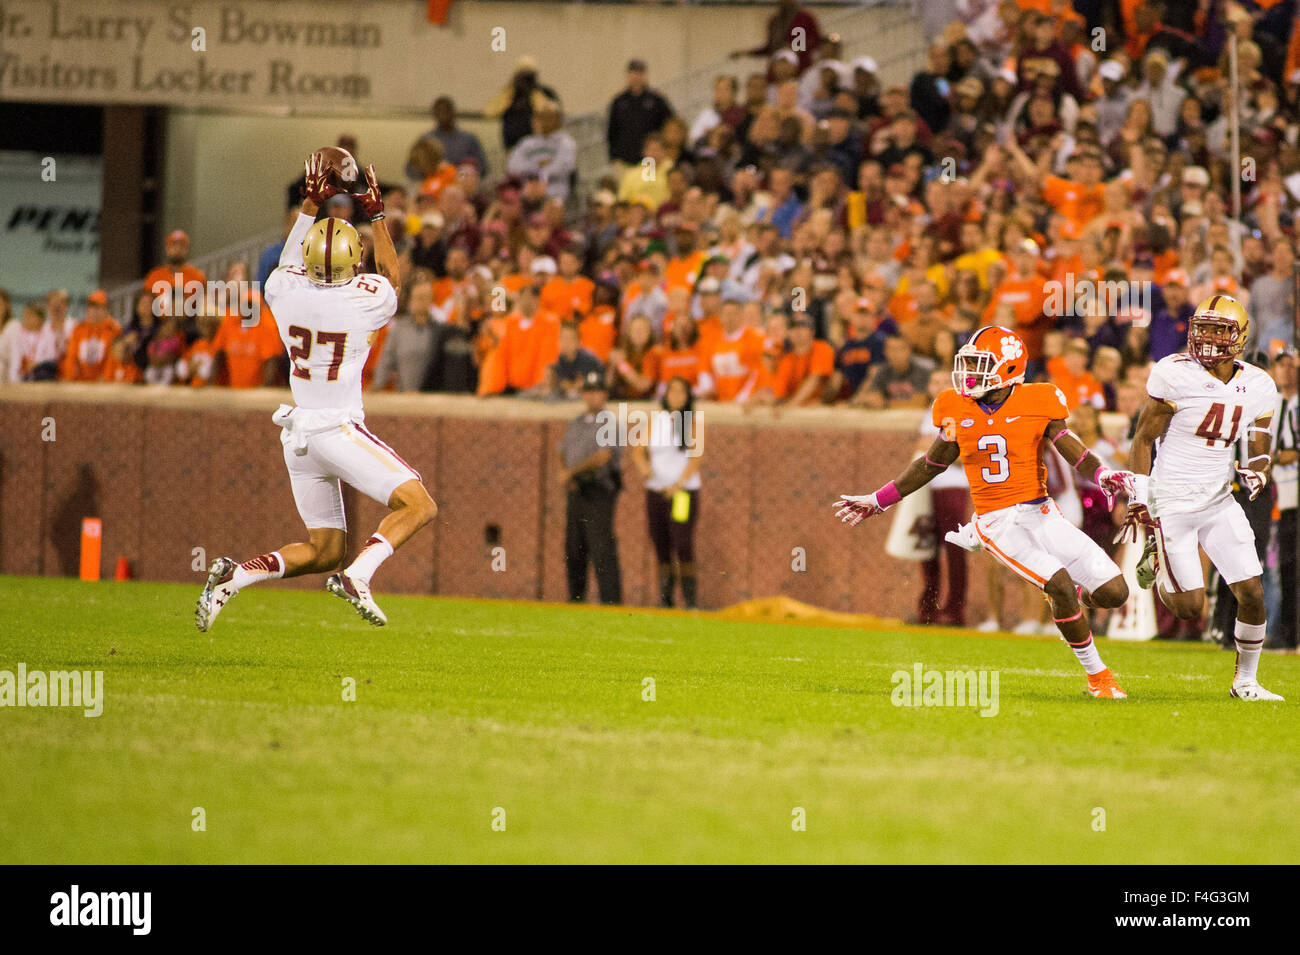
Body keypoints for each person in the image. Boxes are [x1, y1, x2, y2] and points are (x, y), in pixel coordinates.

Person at [196, 155, 437, 631]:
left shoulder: (284, 290)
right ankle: (359, 576)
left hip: (297, 434)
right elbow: (393, 278)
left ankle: (234, 577)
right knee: (420, 505)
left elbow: (287, 260)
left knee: (324, 549)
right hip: (336, 428)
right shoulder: (363, 299)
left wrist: (311, 200)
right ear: (354, 260)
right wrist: (378, 214)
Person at [835, 325, 1136, 699]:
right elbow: (931, 463)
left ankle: (1069, 600)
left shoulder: (1039, 399)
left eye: (980, 365)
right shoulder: (954, 406)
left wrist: (1104, 473)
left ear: (1009, 368)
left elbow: (1070, 446)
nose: (969, 373)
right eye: (969, 363)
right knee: (1059, 584)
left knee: (1115, 592)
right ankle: (1099, 677)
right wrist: (878, 500)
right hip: (996, 521)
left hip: (1042, 513)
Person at [1126, 296, 1284, 700]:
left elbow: (1261, 434)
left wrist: (1259, 466)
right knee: (1189, 607)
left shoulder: (1259, 383)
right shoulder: (1175, 373)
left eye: (1220, 329)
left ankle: (1246, 681)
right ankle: (1158, 555)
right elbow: (1143, 438)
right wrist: (1139, 495)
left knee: (1251, 591)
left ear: (1240, 336)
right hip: (1172, 502)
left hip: (1218, 501)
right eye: (1204, 328)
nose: (1210, 338)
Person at [632, 377, 703, 608]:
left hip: (682, 493)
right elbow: (638, 451)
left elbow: (695, 457)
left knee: (681, 541)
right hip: (657, 490)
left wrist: (678, 485)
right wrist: (644, 467)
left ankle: (689, 598)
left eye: (681, 392)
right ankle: (666, 597)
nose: (675, 396)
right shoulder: (656, 421)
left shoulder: (692, 422)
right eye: (671, 391)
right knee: (660, 540)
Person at [558, 370, 623, 604]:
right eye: (589, 391)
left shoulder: (610, 422)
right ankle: (576, 599)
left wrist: (570, 472)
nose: (593, 396)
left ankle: (611, 602)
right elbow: (562, 450)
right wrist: (567, 474)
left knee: (601, 547)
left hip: (599, 490)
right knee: (574, 547)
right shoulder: (576, 422)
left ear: (604, 394)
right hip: (576, 490)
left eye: (597, 391)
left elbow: (602, 457)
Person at [916, 368, 971, 626]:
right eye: (933, 380)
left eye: (942, 381)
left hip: (952, 485)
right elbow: (921, 448)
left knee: (954, 547)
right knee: (928, 548)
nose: (937, 385)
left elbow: (960, 454)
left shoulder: (959, 411)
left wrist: (936, 454)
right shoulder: (931, 412)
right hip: (931, 486)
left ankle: (955, 608)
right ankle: (929, 606)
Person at [607, 59, 674, 167]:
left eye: (639, 73)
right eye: (633, 73)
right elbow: (612, 130)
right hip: (625, 160)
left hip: (650, 161)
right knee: (627, 184)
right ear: (628, 75)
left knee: (647, 183)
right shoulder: (619, 102)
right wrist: (614, 156)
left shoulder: (656, 100)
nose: (636, 77)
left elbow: (668, 124)